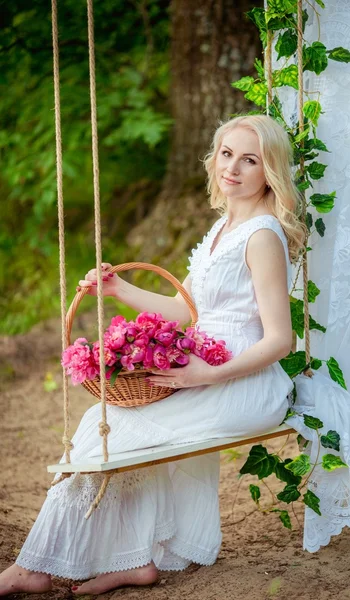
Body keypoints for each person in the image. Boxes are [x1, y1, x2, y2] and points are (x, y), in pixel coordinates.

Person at [0, 114, 307, 596]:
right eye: (227, 154)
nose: (233, 168)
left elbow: (279, 341)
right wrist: (118, 288)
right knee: (104, 421)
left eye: (250, 160)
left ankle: (32, 569)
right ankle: (136, 558)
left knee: (116, 429)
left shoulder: (261, 236)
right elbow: (184, 311)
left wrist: (210, 374)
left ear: (269, 171)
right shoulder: (224, 227)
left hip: (244, 381)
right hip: (205, 367)